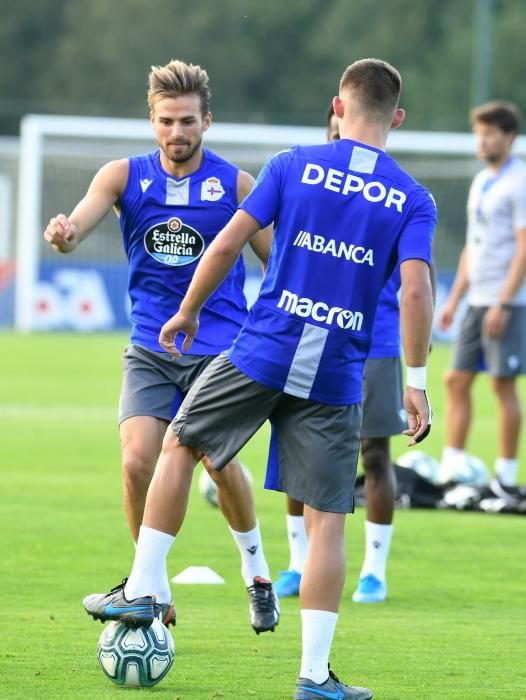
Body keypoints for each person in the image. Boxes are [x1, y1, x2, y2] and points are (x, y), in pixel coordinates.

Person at [83, 58, 436, 699]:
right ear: (398, 118)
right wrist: (416, 380)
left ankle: (141, 589)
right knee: (330, 520)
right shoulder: (413, 198)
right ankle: (313, 677)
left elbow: (225, 245)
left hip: (263, 348)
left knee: (181, 444)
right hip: (337, 370)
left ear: (337, 106)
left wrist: (187, 311)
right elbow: (415, 292)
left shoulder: (290, 164)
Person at [44, 58, 279, 634]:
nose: (178, 133)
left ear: (207, 122)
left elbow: (276, 263)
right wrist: (65, 235)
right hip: (150, 348)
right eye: (167, 121)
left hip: (219, 353)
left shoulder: (237, 185)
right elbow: (77, 229)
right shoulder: (123, 176)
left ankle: (257, 574)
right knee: (134, 464)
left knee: (218, 468)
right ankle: (151, 588)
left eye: (188, 122)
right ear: (152, 121)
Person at [274, 104, 409, 605]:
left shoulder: (397, 196)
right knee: (297, 453)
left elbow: (420, 278)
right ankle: (295, 562)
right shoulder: (310, 185)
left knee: (375, 453)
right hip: (309, 337)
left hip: (377, 340)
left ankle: (374, 570)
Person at [438, 100, 526, 495]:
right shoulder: (481, 182)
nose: (482, 141)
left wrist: (504, 302)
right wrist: (455, 298)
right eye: (479, 133)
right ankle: (453, 466)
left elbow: (523, 247)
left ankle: (505, 478)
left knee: (501, 386)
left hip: (505, 301)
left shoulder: (519, 181)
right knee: (455, 379)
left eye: (490, 134)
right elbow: (472, 248)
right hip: (476, 299)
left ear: (509, 137)